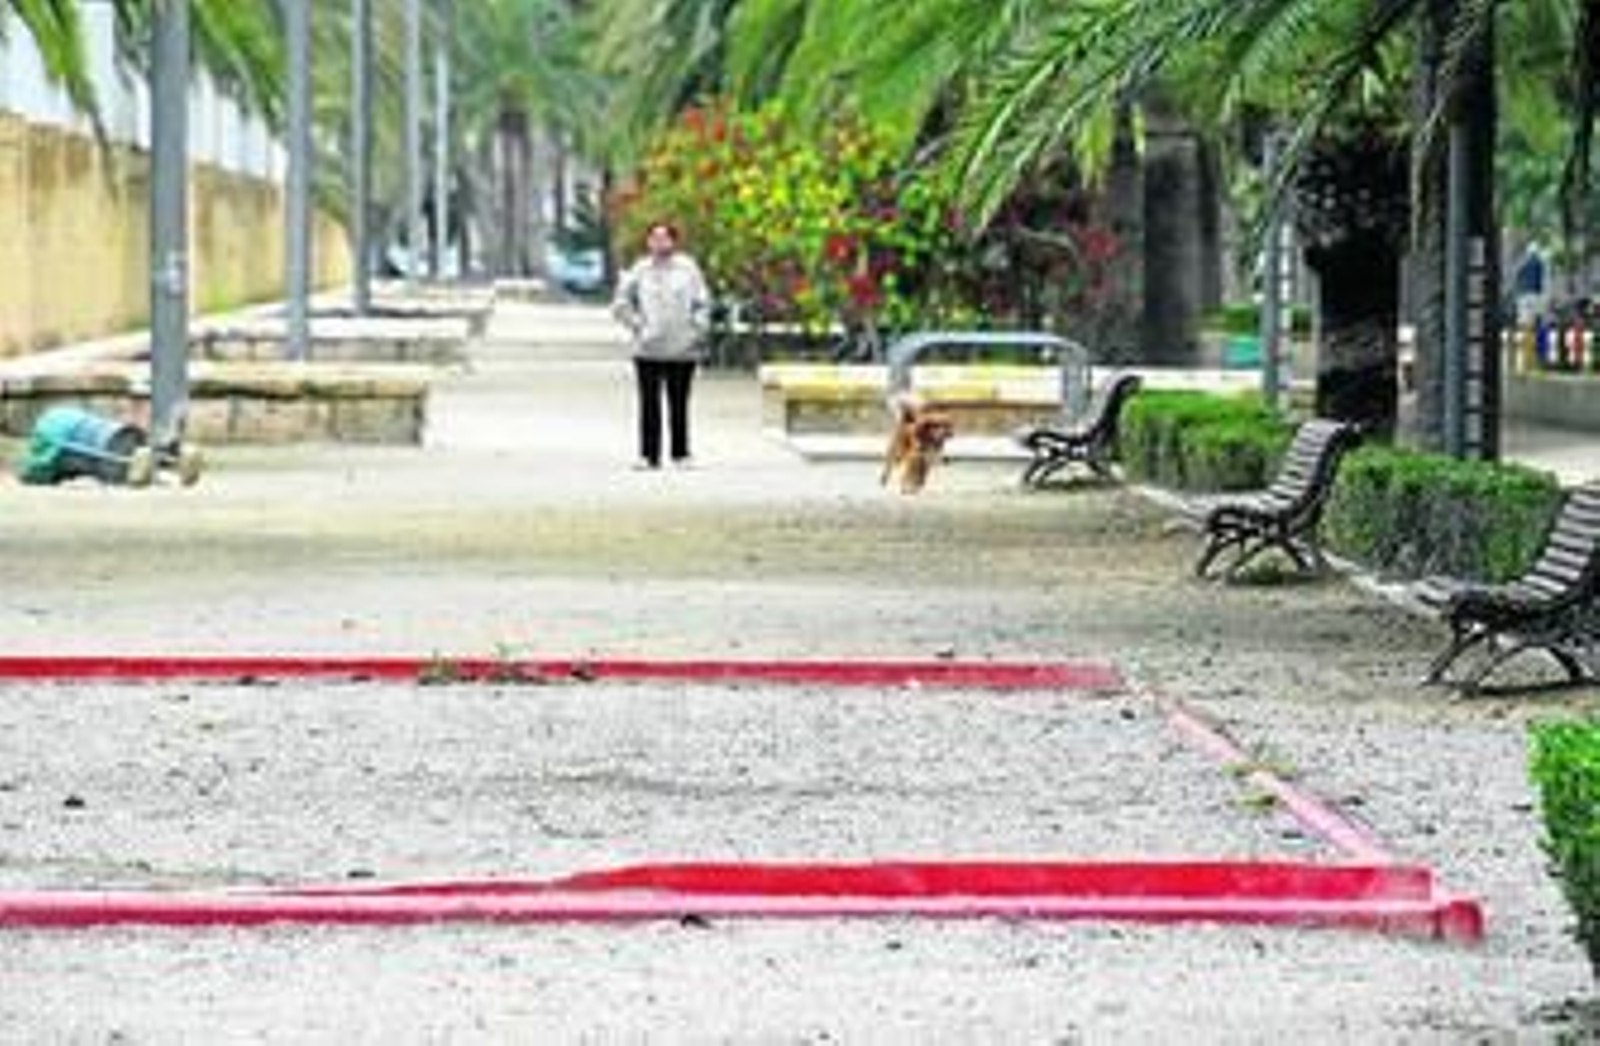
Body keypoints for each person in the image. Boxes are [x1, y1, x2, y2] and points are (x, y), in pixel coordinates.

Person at [611, 222, 712, 470]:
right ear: (648, 242)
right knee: (649, 404)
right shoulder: (640, 269)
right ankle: (648, 455)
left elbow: (703, 302)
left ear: (674, 242)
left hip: (683, 349)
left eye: (664, 237)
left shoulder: (688, 269)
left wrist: (697, 329)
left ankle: (681, 453)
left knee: (679, 403)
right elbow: (621, 303)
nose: (659, 242)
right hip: (648, 348)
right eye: (654, 238)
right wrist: (638, 326)